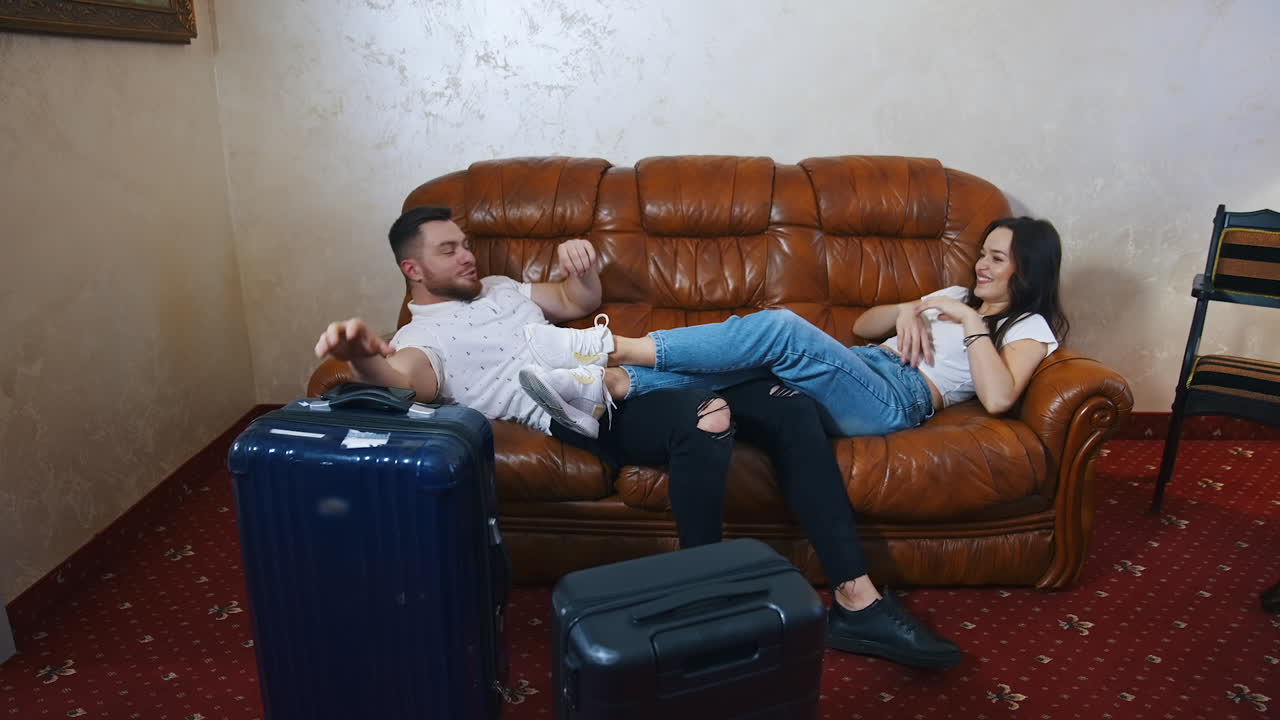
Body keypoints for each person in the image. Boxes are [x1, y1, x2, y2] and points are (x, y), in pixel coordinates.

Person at [316, 205, 962, 669]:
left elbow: (574, 299)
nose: (467, 254)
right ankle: (702, 601)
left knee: (789, 408)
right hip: (598, 414)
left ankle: (857, 599)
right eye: (448, 250)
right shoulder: (422, 338)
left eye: (465, 243)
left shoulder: (502, 289)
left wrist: (583, 265)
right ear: (412, 269)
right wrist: (361, 357)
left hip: (618, 369)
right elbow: (405, 380)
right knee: (709, 411)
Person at [518, 216, 1068, 441]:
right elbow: (861, 324)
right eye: (983, 254)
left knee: (780, 329)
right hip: (862, 363)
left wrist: (973, 321)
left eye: (997, 259)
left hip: (897, 400)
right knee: (745, 366)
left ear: (1029, 268)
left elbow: (998, 399)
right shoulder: (949, 294)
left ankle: (608, 347)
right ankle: (604, 389)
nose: (982, 266)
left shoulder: (1029, 327)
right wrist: (907, 307)